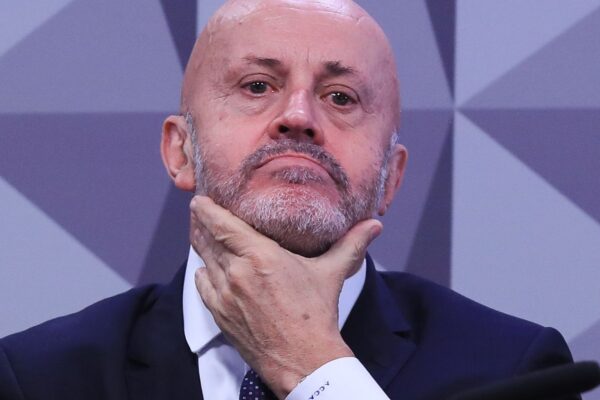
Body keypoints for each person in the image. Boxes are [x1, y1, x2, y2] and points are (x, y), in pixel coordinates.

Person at [0, 0, 577, 399]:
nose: (299, 117)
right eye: (257, 86)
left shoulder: (512, 371)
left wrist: (314, 365)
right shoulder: (39, 377)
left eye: (341, 97)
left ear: (391, 177)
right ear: (180, 151)